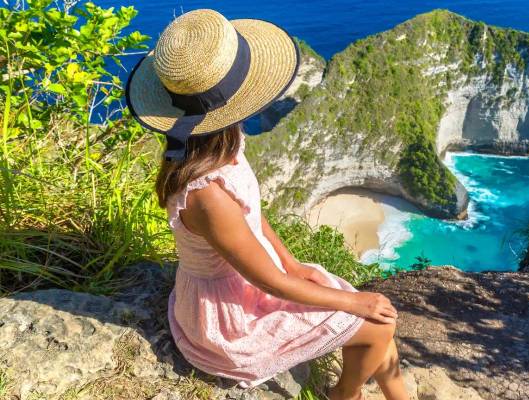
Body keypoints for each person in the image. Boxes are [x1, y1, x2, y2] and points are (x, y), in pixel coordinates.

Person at [125, 9, 408, 400]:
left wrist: (292, 263)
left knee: (379, 327)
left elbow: (252, 218)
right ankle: (344, 396)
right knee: (377, 324)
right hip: (231, 317)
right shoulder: (207, 197)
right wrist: (353, 299)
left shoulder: (218, 148)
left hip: (252, 279)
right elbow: (267, 281)